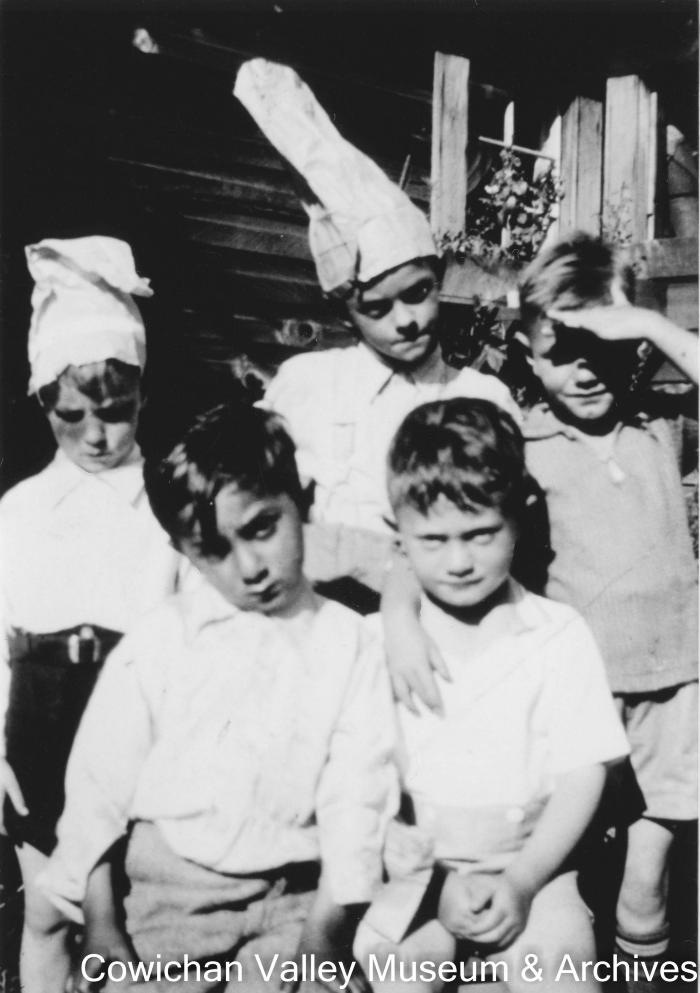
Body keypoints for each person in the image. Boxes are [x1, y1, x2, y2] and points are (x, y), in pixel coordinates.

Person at [383, 234, 698, 984]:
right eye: (564, 352)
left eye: (606, 348)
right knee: (569, 867)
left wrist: (649, 325)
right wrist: (397, 617)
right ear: (527, 351)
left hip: (679, 688)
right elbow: (434, 527)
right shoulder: (523, 439)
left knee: (646, 883)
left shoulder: (661, 425)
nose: (587, 370)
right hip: (580, 696)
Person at [41, 403, 398, 993]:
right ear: (182, 550)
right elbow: (97, 785)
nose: (249, 568)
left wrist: (324, 935)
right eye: (213, 549)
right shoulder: (161, 640)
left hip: (295, 900)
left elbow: (358, 794)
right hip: (169, 896)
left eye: (262, 528)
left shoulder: (349, 642)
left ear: (301, 500)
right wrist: (101, 923)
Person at [353, 398, 629, 993]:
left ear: (519, 518)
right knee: (398, 976)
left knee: (562, 974)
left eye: (481, 534)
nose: (459, 562)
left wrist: (524, 882)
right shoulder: (378, 641)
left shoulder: (556, 632)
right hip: (415, 874)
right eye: (433, 540)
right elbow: (358, 778)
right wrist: (433, 884)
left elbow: (584, 772)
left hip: (536, 867)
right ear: (397, 536)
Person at [234, 59, 519, 598]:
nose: (406, 321)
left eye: (418, 293)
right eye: (377, 308)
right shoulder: (311, 385)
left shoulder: (481, 396)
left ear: (437, 279)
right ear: (347, 314)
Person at [0, 236, 186, 993]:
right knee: (48, 908)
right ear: (43, 402)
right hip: (41, 726)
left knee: (135, 915)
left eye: (114, 412)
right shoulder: (21, 510)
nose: (97, 435)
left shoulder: (171, 504)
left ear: (142, 393)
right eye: (72, 416)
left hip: (142, 726)